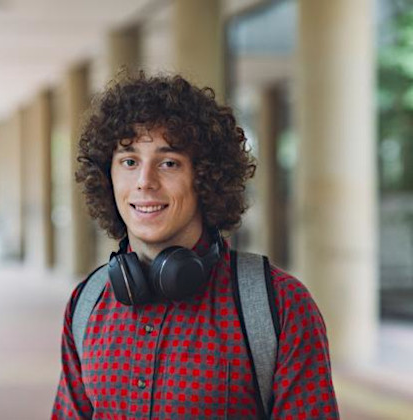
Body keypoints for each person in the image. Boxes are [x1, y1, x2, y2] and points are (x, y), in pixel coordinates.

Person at [51, 73, 339, 419]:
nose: (145, 182)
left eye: (168, 163)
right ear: (107, 177)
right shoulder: (86, 304)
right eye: (129, 162)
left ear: (205, 176)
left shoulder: (279, 306)